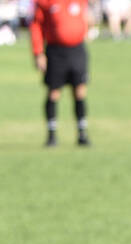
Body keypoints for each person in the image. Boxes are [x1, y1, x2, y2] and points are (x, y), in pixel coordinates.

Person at [30, 0, 91, 147]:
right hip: (55, 51)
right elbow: (36, 25)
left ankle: (82, 133)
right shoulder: (45, 2)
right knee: (54, 92)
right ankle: (52, 135)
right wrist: (38, 52)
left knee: (80, 91)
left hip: (77, 50)